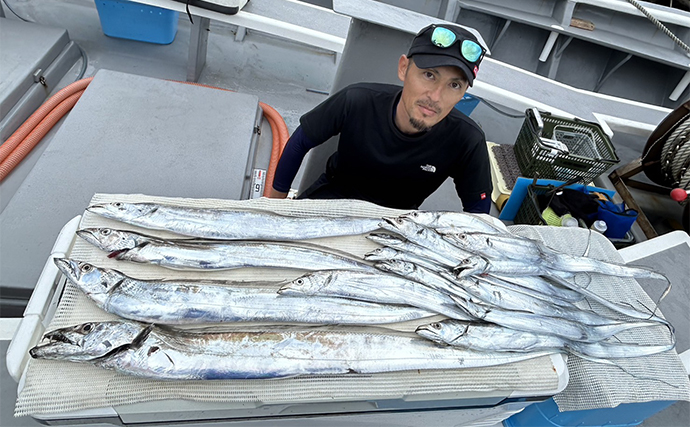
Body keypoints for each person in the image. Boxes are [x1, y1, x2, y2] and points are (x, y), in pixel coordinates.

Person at [268, 23, 493, 213]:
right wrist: (272, 208)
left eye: (454, 85)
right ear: (404, 68)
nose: (435, 97)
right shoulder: (356, 100)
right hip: (330, 200)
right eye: (429, 75)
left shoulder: (467, 141)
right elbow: (299, 143)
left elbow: (479, 215)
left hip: (395, 227)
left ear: (463, 93)